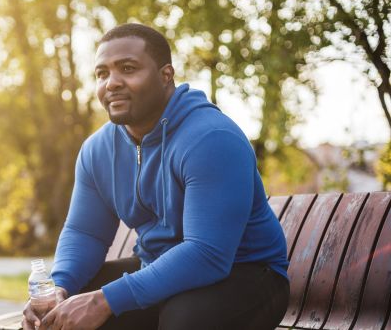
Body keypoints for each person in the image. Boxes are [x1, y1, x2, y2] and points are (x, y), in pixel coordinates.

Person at [22, 23, 290, 330]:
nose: (112, 83)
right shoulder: (97, 150)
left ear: (166, 75)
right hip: (158, 265)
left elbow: (208, 254)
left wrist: (107, 300)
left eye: (128, 68)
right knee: (67, 306)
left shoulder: (211, 139)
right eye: (102, 73)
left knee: (183, 318)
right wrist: (60, 287)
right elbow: (86, 232)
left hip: (246, 273)